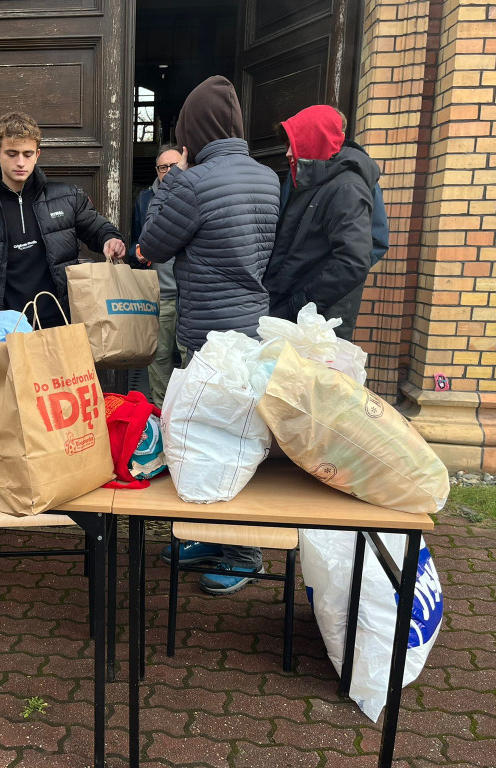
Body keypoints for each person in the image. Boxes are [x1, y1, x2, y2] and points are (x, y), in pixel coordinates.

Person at [0, 111, 126, 547]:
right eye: (12, 154)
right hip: (1, 328)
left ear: (38, 153)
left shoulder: (66, 195)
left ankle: (70, 492)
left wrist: (111, 239)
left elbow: (95, 227)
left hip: (56, 325)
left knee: (62, 413)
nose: (21, 162)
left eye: (28, 154)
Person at [137, 75, 280, 595]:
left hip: (211, 333)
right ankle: (217, 539)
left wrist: (170, 184)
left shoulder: (192, 183)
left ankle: (243, 551)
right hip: (251, 327)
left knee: (214, 442)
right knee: (233, 438)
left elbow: (149, 247)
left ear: (192, 132)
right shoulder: (267, 178)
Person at [264, 105, 384, 340]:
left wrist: (300, 302)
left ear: (314, 139)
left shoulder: (346, 187)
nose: (287, 153)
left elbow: (353, 261)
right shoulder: (312, 179)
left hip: (317, 316)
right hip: (299, 309)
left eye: (293, 144)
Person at [129, 144, 182, 408]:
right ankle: (162, 412)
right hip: (159, 293)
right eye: (164, 167)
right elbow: (137, 241)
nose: (169, 172)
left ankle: (187, 415)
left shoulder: (195, 194)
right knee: (159, 356)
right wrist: (138, 251)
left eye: (175, 166)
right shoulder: (145, 199)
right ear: (157, 171)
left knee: (190, 357)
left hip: (191, 294)